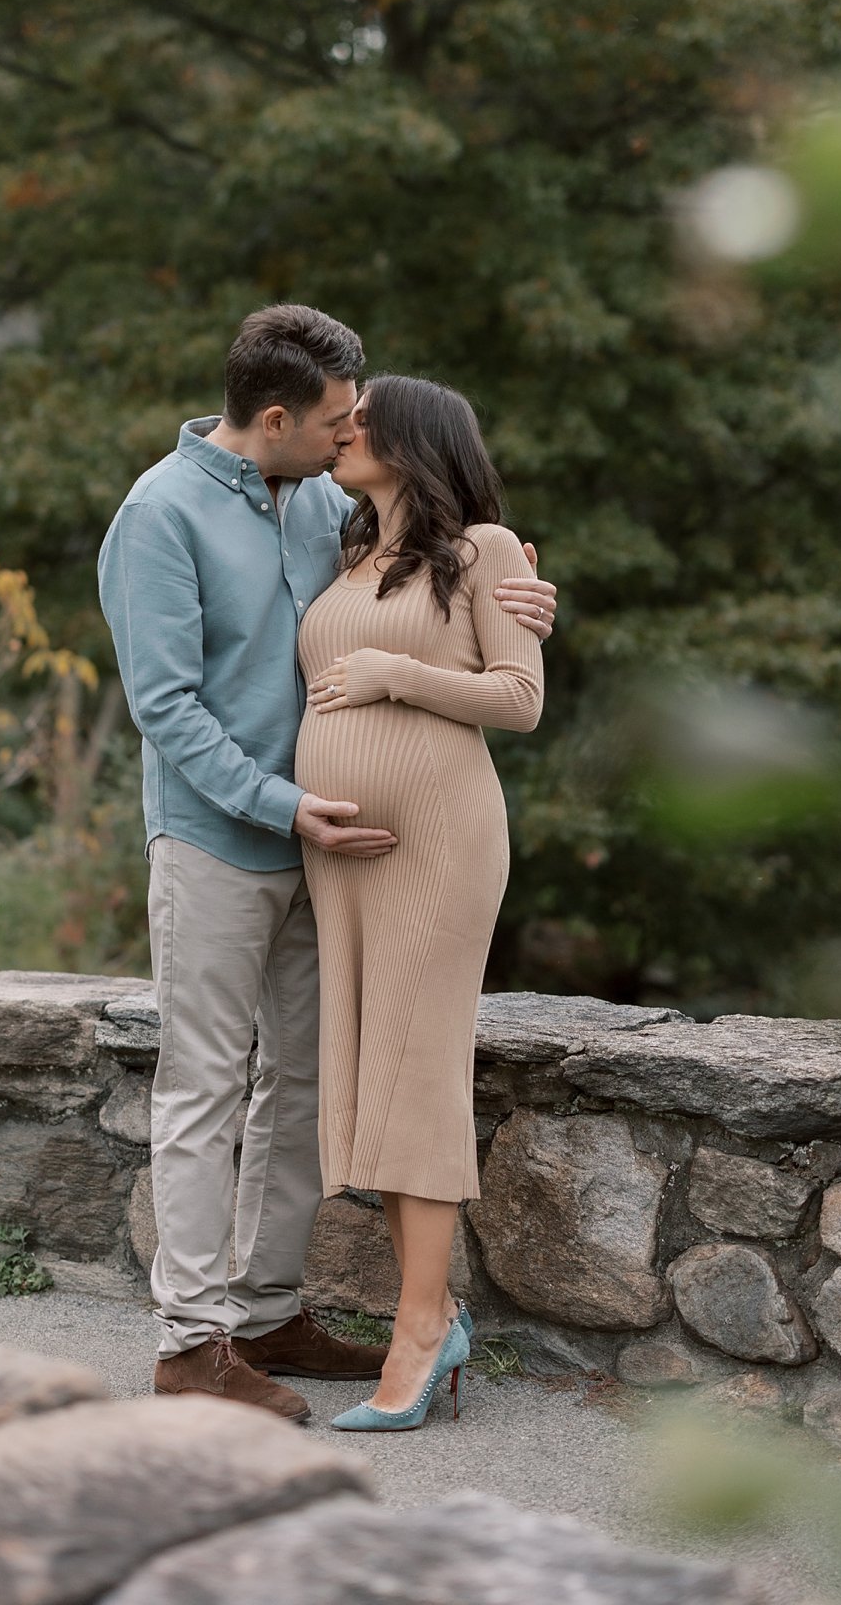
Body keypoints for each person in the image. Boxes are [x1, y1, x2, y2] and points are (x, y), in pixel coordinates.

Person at [98, 305, 556, 1421]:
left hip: (337, 855)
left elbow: (445, 594)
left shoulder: (321, 511)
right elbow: (166, 707)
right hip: (219, 838)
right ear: (273, 417)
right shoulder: (157, 517)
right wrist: (287, 805)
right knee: (206, 1083)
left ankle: (264, 1310)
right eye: (338, 419)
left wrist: (529, 594)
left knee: (297, 1084)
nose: (352, 433)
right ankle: (192, 1345)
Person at [296, 374, 544, 1432]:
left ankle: (419, 1328)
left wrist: (397, 673)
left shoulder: (485, 547)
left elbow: (519, 696)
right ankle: (431, 1308)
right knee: (375, 1074)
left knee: (423, 1070)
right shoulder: (348, 551)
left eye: (360, 420)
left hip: (439, 840)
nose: (343, 432)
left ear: (417, 436)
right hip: (341, 851)